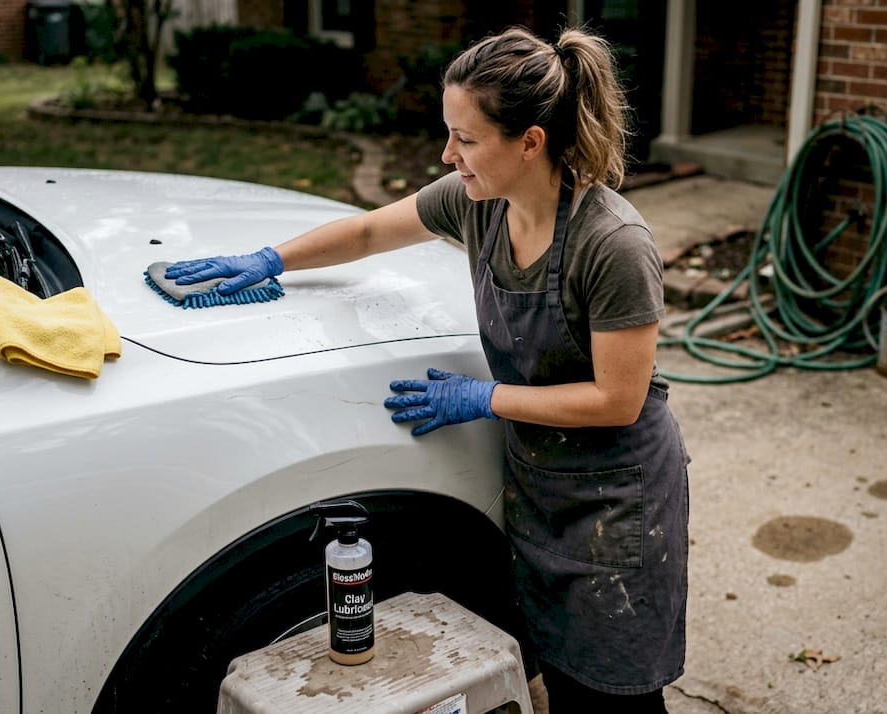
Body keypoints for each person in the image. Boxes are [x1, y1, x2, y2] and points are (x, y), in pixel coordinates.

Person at [165, 24, 689, 712]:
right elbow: (368, 229)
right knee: (559, 672)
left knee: (615, 693)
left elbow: (618, 400)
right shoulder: (481, 206)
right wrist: (269, 259)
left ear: (529, 141)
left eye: (466, 140)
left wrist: (485, 397)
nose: (448, 155)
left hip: (617, 503)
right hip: (541, 487)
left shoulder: (611, 242)